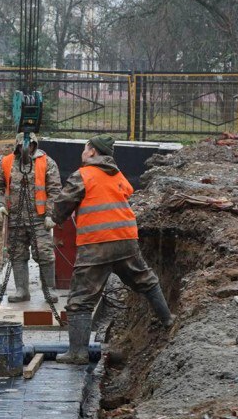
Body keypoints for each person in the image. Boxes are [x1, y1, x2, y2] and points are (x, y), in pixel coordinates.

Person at [52, 134, 174, 364]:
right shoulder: (117, 173)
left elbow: (63, 203)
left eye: (85, 148)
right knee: (145, 279)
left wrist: (54, 218)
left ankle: (77, 353)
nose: (82, 152)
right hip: (126, 238)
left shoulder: (83, 174)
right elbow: (126, 192)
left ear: (93, 152)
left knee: (80, 299)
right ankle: (168, 319)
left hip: (97, 242)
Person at [0, 132, 62, 303]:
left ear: (34, 145)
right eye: (22, 146)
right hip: (15, 218)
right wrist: (0, 205)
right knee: (17, 254)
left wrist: (51, 214)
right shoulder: (6, 162)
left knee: (44, 253)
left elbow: (55, 190)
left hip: (39, 218)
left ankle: (49, 290)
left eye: (28, 145)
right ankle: (22, 290)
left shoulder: (46, 162)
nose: (25, 149)